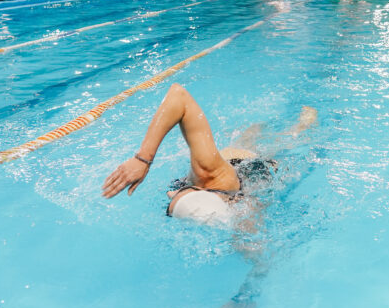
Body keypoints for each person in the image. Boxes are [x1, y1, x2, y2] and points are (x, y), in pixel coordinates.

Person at [101, 84, 317, 226]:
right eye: (177, 195)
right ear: (196, 189)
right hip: (245, 170)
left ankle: (300, 125)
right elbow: (178, 95)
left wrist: (143, 157)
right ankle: (295, 126)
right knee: (269, 140)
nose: (170, 194)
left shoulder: (210, 176)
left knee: (266, 137)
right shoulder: (207, 174)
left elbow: (179, 95)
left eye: (172, 201)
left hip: (240, 171)